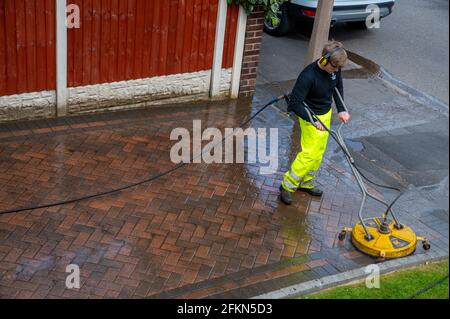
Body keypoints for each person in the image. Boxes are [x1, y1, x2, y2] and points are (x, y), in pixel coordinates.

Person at [280, 41, 351, 205]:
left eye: (338, 69)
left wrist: (341, 109)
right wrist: (312, 121)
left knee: (318, 152)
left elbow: (337, 87)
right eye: (334, 67)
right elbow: (294, 104)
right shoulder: (308, 76)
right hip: (310, 115)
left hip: (326, 113)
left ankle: (306, 182)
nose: (336, 71)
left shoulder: (335, 69)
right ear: (325, 60)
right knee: (309, 153)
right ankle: (287, 185)